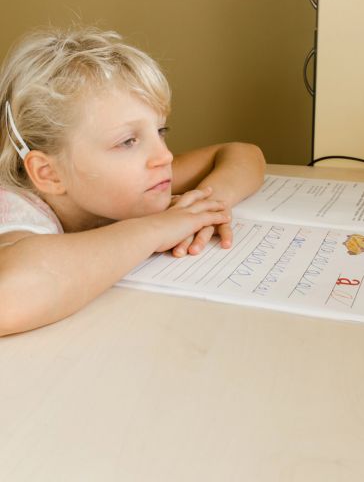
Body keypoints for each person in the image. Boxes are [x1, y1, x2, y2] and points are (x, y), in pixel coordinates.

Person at [0, 26, 266, 336]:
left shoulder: (124, 181)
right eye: (128, 141)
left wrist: (206, 206)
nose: (164, 156)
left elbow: (244, 154)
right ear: (49, 174)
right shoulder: (15, 210)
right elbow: (9, 295)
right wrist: (157, 229)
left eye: (160, 131)